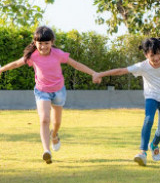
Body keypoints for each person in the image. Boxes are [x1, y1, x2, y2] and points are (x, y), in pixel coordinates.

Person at [0, 26, 99, 164]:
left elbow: (75, 64)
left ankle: (54, 135)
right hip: (42, 91)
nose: (43, 47)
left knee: (56, 123)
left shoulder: (58, 53)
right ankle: (46, 151)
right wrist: (2, 69)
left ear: (52, 42)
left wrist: (93, 73)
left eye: (46, 43)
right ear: (35, 43)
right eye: (40, 43)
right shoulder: (32, 56)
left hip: (59, 91)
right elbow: (16, 63)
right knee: (44, 119)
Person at [93, 37, 160, 167]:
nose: (156, 58)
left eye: (158, 54)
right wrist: (100, 74)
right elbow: (121, 71)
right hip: (152, 97)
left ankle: (154, 144)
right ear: (146, 54)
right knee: (148, 119)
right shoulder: (142, 66)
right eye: (152, 55)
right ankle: (142, 153)